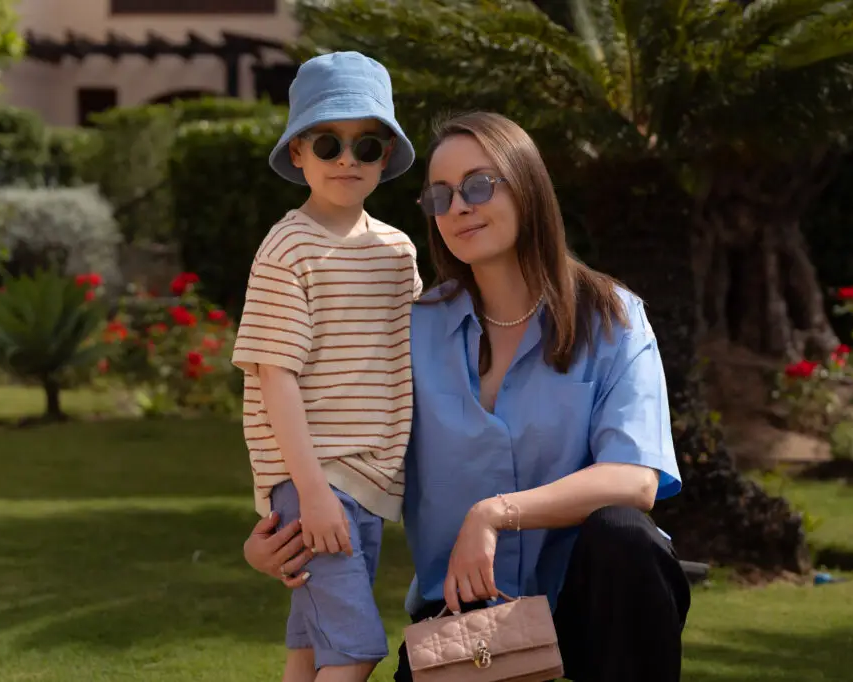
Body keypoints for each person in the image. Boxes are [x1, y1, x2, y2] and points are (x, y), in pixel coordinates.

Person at [243, 111, 692, 682]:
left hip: (586, 615)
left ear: (527, 187)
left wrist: (494, 515)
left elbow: (635, 479)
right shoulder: (411, 328)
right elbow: (339, 432)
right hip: (460, 628)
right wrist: (279, 532)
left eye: (480, 185)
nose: (459, 206)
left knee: (625, 538)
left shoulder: (614, 319)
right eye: (440, 195)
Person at [231, 51, 422, 682]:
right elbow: (272, 374)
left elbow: (414, 357)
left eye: (366, 145)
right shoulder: (289, 246)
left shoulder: (399, 251)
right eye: (327, 141)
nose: (347, 158)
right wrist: (311, 493)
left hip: (372, 482)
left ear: (386, 157)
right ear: (297, 154)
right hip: (317, 480)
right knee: (358, 649)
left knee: (311, 650)